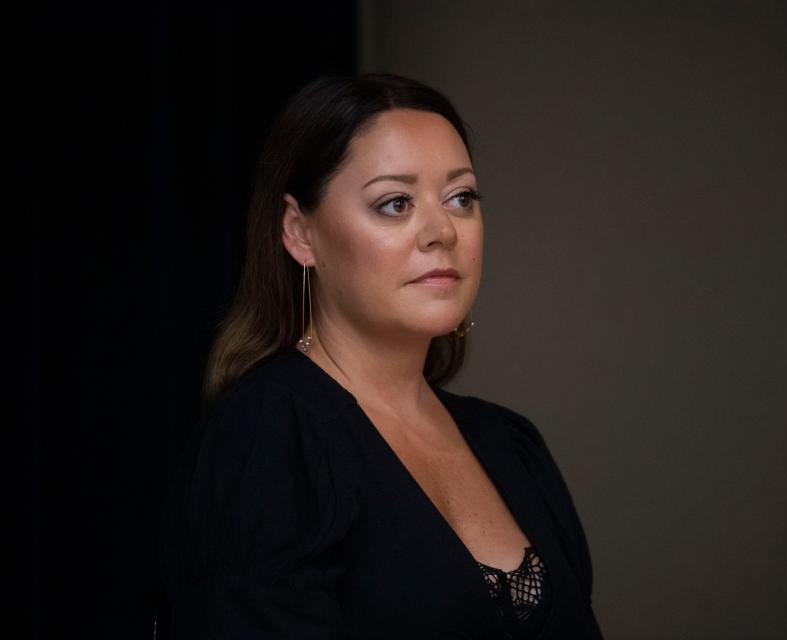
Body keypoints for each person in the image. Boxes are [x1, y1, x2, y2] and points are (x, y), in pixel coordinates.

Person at [159, 72, 604, 639]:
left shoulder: (512, 444)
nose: (442, 230)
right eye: (395, 203)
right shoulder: (267, 437)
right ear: (300, 233)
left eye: (460, 197)